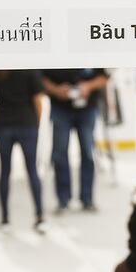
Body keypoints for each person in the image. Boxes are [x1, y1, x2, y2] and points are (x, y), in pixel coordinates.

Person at [0, 70, 46, 232]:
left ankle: (5, 219)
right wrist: (36, 124)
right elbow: (38, 100)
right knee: (32, 171)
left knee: (4, 172)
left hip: (3, 124)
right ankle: (39, 216)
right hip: (27, 123)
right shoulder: (29, 69)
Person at [41, 68, 109, 212]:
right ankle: (63, 200)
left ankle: (87, 199)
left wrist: (88, 86)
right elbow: (40, 78)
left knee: (88, 154)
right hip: (60, 109)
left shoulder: (92, 49)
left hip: (87, 109)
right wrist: (56, 90)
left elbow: (104, 77)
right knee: (59, 155)